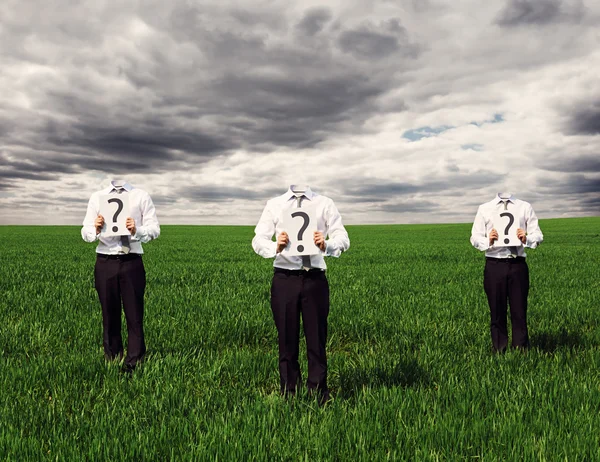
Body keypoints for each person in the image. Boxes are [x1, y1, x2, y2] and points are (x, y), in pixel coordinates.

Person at [252, 185, 350, 403]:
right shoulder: (274, 204)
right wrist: (274, 246)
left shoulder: (325, 203)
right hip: (284, 278)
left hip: (315, 279)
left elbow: (343, 237)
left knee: (317, 340)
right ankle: (289, 394)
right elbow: (258, 239)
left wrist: (327, 244)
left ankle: (318, 395)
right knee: (286, 340)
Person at [81, 179, 160, 373]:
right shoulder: (97, 197)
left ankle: (134, 362)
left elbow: (155, 229)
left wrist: (137, 230)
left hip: (131, 260)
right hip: (104, 261)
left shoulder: (141, 196)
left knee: (134, 315)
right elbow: (85, 231)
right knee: (109, 313)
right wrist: (95, 228)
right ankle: (112, 358)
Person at [470, 192, 543, 353]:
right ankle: (499, 350)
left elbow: (538, 234)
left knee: (519, 310)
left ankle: (521, 351)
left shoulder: (524, 207)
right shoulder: (484, 209)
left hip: (518, 265)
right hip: (494, 264)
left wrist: (527, 238)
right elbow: (474, 237)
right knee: (496, 310)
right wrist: (487, 240)